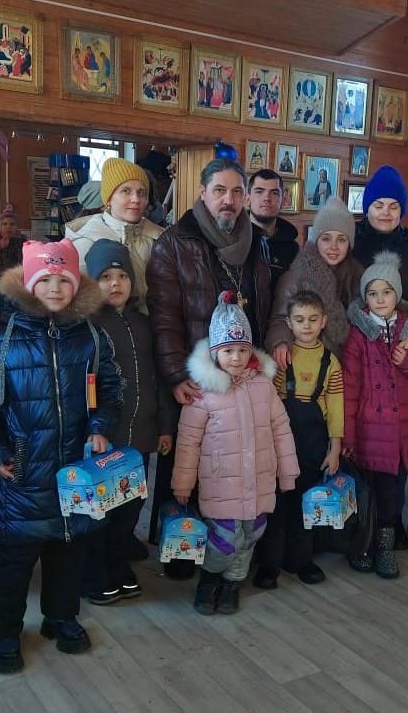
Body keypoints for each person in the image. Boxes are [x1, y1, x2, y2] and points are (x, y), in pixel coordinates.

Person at [0, 239, 122, 674]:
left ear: (77, 285)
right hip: (23, 470)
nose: (55, 288)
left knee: (69, 549)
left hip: (76, 469)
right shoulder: (4, 340)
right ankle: (3, 634)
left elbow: (110, 388)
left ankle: (61, 616)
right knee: (15, 559)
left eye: (64, 280)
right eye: (45, 280)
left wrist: (100, 428)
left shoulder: (91, 337)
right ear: (29, 285)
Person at [146, 158, 271, 575]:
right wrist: (176, 375)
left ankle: (229, 552)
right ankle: (181, 557)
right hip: (194, 377)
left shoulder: (256, 241)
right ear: (202, 193)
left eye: (236, 192)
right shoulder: (173, 242)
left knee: (231, 465)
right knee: (184, 467)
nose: (228, 200)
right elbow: (163, 318)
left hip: (242, 371)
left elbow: (264, 306)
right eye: (219, 190)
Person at [172, 293, 298, 615]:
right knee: (225, 538)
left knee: (252, 534)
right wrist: (182, 484)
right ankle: (210, 579)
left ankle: (232, 583)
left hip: (260, 480)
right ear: (216, 352)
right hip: (221, 483)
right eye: (228, 350)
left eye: (242, 350)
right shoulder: (203, 392)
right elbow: (188, 442)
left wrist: (288, 473)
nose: (236, 357)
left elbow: (281, 429)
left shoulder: (263, 386)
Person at [82, 240, 176, 604]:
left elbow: (157, 379)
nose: (115, 283)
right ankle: (95, 573)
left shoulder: (144, 324)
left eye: (121, 276)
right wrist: (93, 427)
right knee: (102, 510)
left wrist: (165, 427)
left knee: (130, 507)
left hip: (142, 435)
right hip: (107, 437)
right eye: (105, 277)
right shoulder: (88, 325)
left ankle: (119, 564)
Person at [353, 166, 408, 544]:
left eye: (393, 206)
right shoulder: (352, 246)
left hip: (403, 354)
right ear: (367, 208)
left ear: (401, 211)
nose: (385, 212)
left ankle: (393, 520)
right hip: (361, 350)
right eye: (378, 205)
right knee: (365, 439)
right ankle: (363, 523)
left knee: (402, 440)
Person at [342, 252, 408, 579]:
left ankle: (385, 547)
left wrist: (407, 361)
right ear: (364, 297)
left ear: (398, 294)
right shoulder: (358, 334)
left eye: (386, 292)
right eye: (373, 293)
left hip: (399, 431)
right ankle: (362, 545)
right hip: (369, 429)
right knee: (368, 494)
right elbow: (349, 387)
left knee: (393, 495)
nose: (380, 299)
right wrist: (347, 436)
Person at [255, 290, 344, 589]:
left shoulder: (331, 362)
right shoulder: (281, 358)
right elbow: (267, 401)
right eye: (300, 319)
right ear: (289, 323)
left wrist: (335, 447)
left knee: (306, 502)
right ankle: (269, 564)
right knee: (277, 503)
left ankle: (300, 559)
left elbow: (336, 406)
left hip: (313, 443)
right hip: (280, 441)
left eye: (313, 319)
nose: (307, 325)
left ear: (324, 321)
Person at [267, 196, 362, 365]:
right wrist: (281, 342)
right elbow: (280, 318)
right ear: (316, 240)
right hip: (307, 361)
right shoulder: (296, 276)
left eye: (341, 240)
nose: (333, 246)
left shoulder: (357, 277)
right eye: (326, 238)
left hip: (349, 362)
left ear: (349, 244)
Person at [65, 158, 164, 313]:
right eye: (126, 191)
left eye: (141, 193)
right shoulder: (86, 241)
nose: (136, 199)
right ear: (109, 198)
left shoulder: (162, 239)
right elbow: (77, 303)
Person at [246, 168, 299, 297]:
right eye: (259, 191)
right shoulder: (233, 240)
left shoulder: (292, 249)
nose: (266, 198)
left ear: (283, 199)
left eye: (274, 193)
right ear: (247, 198)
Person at [0, 203, 26, 281]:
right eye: (5, 224)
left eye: (12, 224)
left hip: (18, 282)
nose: (8, 227)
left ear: (17, 227)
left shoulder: (24, 244)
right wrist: (2, 249)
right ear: (0, 227)